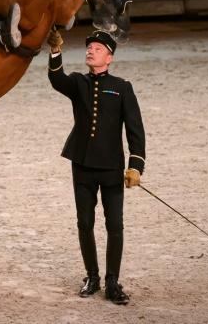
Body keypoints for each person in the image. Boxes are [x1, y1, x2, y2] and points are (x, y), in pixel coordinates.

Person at [46, 28, 146, 305]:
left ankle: (112, 281)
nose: (91, 50)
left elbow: (135, 130)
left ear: (109, 57)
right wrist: (55, 51)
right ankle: (92, 276)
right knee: (85, 223)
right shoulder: (78, 83)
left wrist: (136, 165)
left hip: (112, 167)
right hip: (83, 165)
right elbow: (56, 79)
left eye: (97, 48)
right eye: (89, 47)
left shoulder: (122, 87)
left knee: (115, 225)